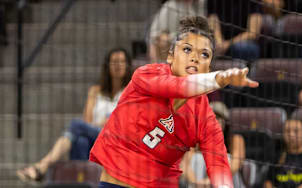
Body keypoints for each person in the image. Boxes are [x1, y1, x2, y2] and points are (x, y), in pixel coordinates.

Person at [89, 16, 259, 188]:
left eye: (204, 54)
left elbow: (218, 164)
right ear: (171, 56)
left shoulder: (204, 115)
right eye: (187, 49)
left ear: (208, 67)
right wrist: (219, 79)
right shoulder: (146, 75)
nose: (195, 58)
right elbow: (180, 87)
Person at [16, 48, 132, 182]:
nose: (118, 65)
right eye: (115, 62)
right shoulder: (95, 91)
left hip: (114, 139)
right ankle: (84, 182)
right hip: (95, 137)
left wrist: (106, 123)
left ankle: (42, 166)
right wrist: (103, 122)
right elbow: (87, 120)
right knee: (80, 141)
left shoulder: (130, 91)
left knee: (75, 125)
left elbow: (125, 123)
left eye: (122, 61)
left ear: (128, 65)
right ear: (107, 66)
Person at [180, 101, 253, 188]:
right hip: (200, 184)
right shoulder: (196, 140)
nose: (213, 121)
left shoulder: (235, 139)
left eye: (217, 118)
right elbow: (184, 165)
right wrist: (196, 182)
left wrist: (210, 181)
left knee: (226, 158)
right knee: (197, 158)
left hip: (229, 182)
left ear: (225, 122)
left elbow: (235, 165)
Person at [263, 119, 302, 188]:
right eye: (287, 131)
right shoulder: (277, 155)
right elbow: (268, 181)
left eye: (296, 131)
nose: (291, 135)